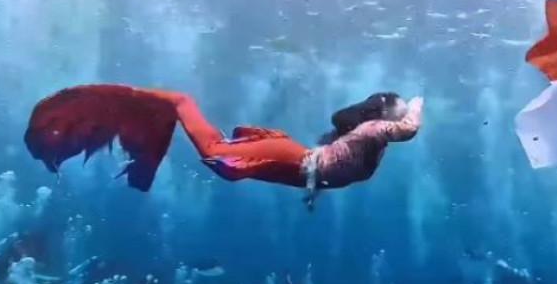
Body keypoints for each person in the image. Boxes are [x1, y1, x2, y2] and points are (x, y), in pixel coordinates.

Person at [24, 85, 424, 208]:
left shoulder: (370, 139)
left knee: (224, 158)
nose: (401, 113)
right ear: (385, 112)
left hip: (291, 162)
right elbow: (409, 128)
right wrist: (421, 101)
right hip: (292, 159)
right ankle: (173, 105)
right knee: (210, 144)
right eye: (398, 107)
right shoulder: (374, 131)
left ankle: (150, 152)